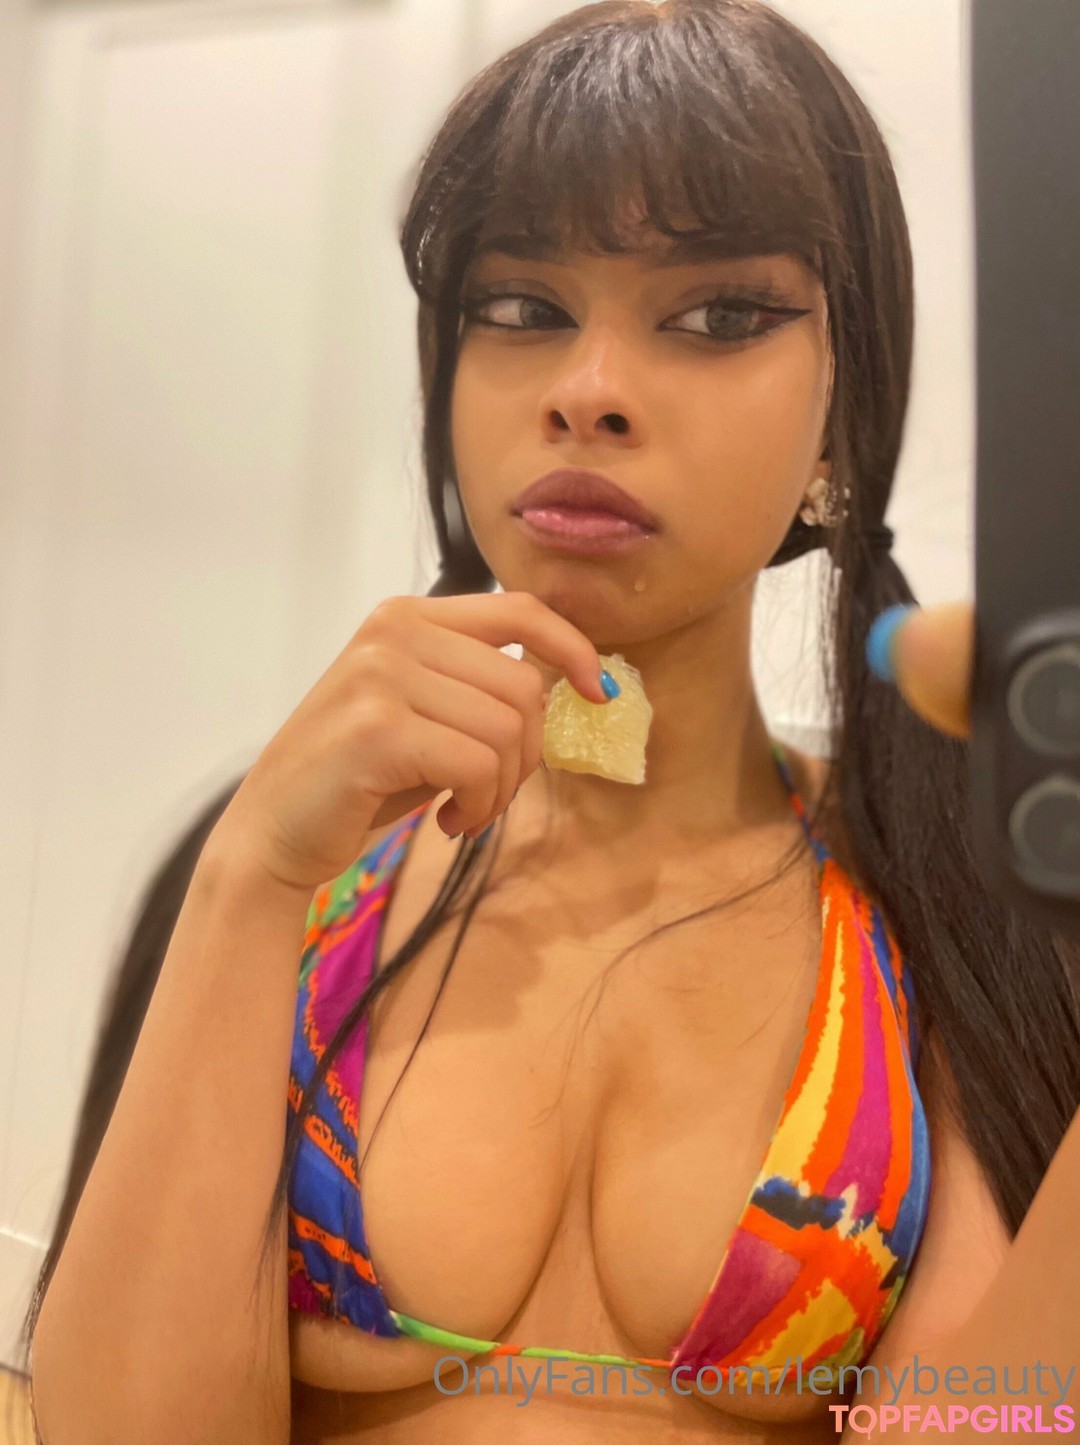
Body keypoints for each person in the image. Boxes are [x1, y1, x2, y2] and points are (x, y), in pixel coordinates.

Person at [20, 1, 1080, 1441]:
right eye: (519, 308)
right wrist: (246, 879)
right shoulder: (289, 875)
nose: (590, 394)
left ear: (847, 412)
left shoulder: (939, 899)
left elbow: (990, 1424)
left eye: (720, 315)